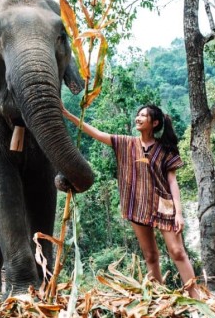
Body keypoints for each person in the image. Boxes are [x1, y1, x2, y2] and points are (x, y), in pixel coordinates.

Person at [62, 103, 201, 298]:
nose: (138, 118)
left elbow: (172, 182)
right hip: (137, 205)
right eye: (138, 114)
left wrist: (179, 213)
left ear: (154, 123)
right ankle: (157, 297)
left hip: (165, 205)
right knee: (150, 255)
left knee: (177, 251)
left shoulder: (165, 149)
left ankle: (195, 297)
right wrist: (69, 115)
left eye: (143, 115)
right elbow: (97, 133)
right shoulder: (126, 143)